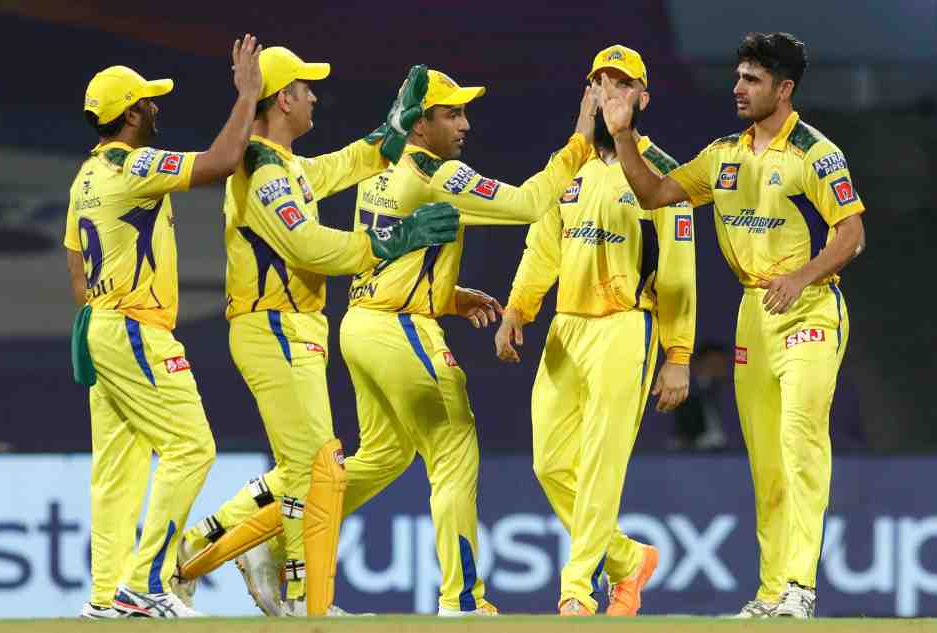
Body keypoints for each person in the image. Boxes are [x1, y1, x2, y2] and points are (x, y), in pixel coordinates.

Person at [173, 49, 458, 617]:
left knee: (299, 468)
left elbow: (350, 163)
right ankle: (307, 602)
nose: (315, 97)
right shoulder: (262, 172)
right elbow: (306, 246)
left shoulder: (286, 166)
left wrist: (392, 128)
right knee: (319, 469)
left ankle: (197, 549)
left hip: (292, 327)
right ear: (284, 99)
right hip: (273, 326)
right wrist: (393, 240)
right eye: (307, 89)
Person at [601, 32, 866, 619]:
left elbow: (851, 235)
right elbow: (655, 193)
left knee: (800, 440)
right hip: (754, 314)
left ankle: (800, 586)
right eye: (738, 77)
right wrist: (622, 135)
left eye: (753, 79)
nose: (738, 88)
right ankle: (771, 594)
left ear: (784, 88)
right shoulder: (723, 154)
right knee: (767, 459)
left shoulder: (816, 154)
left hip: (810, 308)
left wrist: (800, 276)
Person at [335, 68, 597, 616]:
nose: (465, 125)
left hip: (361, 322)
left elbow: (387, 252)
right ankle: (462, 600)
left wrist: (448, 296)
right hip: (401, 327)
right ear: (419, 123)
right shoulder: (438, 172)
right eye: (451, 114)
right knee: (454, 452)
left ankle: (277, 536)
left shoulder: (379, 169)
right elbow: (529, 204)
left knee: (380, 458)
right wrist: (580, 139)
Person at [65, 35, 263, 618]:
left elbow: (73, 255)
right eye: (147, 101)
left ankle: (105, 597)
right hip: (134, 329)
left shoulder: (85, 176)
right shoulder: (134, 165)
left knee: (117, 470)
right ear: (130, 115)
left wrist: (99, 314)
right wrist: (247, 95)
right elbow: (221, 162)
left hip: (102, 326)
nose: (155, 108)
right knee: (192, 447)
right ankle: (145, 584)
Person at [495, 45, 695, 616]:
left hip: (627, 326)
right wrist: (517, 309)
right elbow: (543, 245)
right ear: (588, 94)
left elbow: (679, 270)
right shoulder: (568, 164)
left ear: (642, 99)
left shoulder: (662, 173)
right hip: (566, 326)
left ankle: (576, 589)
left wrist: (678, 353)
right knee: (550, 463)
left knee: (603, 463)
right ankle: (627, 559)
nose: (609, 92)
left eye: (622, 84)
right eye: (600, 82)